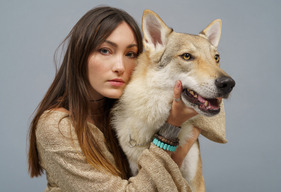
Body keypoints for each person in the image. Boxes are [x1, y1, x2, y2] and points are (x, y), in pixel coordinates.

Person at [28, 6, 200, 192]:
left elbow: (212, 117)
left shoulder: (126, 110)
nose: (120, 66)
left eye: (130, 54)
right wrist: (171, 130)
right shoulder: (55, 127)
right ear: (80, 54)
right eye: (105, 51)